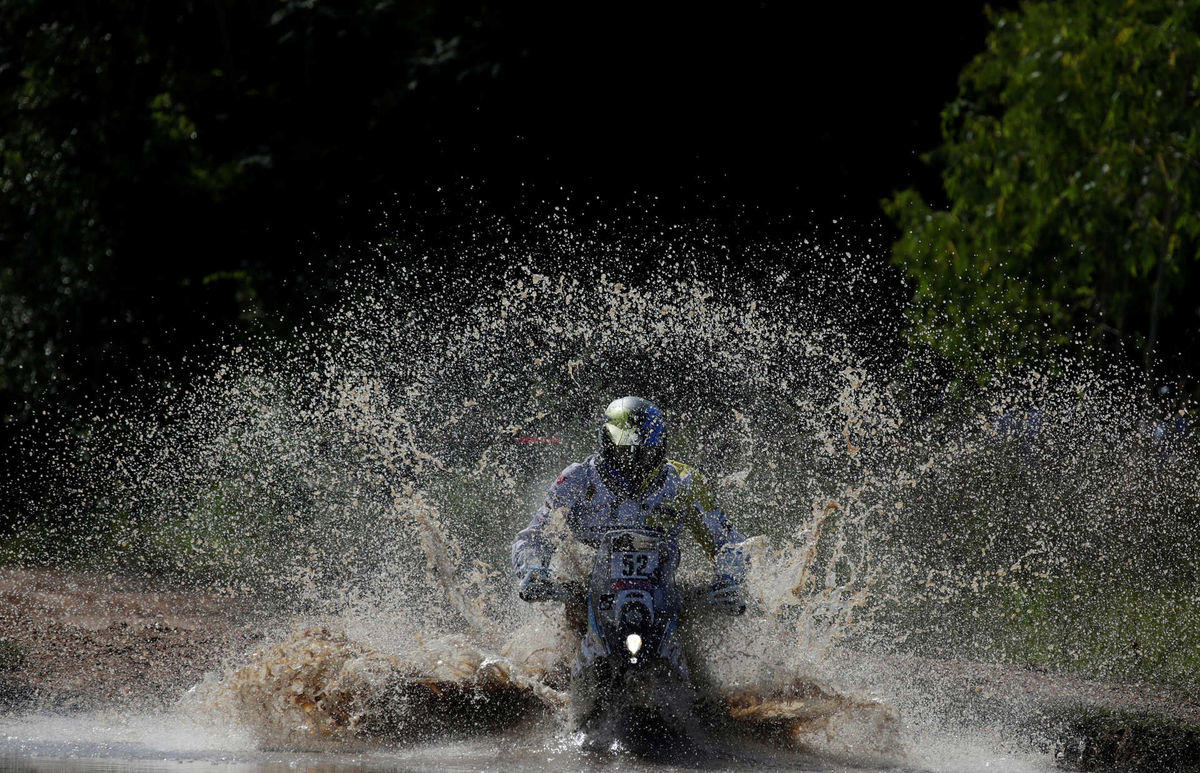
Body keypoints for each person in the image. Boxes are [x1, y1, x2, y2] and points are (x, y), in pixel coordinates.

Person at [512, 395, 748, 617]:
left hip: (664, 598)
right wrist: (534, 571)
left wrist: (728, 579)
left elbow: (729, 542)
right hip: (587, 595)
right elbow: (535, 536)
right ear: (607, 443)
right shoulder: (577, 479)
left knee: (704, 626)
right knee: (561, 648)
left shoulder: (684, 482)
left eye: (647, 452)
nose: (636, 463)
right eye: (627, 451)